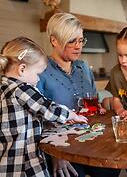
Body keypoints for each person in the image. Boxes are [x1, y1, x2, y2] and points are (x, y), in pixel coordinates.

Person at [37, 12, 120, 177]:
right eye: (71, 41)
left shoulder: (83, 67)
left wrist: (106, 105)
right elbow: (37, 119)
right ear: (54, 40)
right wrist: (56, 153)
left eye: (81, 40)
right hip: (61, 147)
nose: (78, 46)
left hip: (92, 140)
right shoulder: (40, 70)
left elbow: (94, 104)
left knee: (111, 171)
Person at [0, 37, 87, 177]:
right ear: (22, 69)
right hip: (24, 162)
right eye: (37, 74)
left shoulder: (4, 88)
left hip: (7, 162)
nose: (38, 79)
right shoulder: (21, 89)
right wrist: (72, 115)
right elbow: (48, 108)